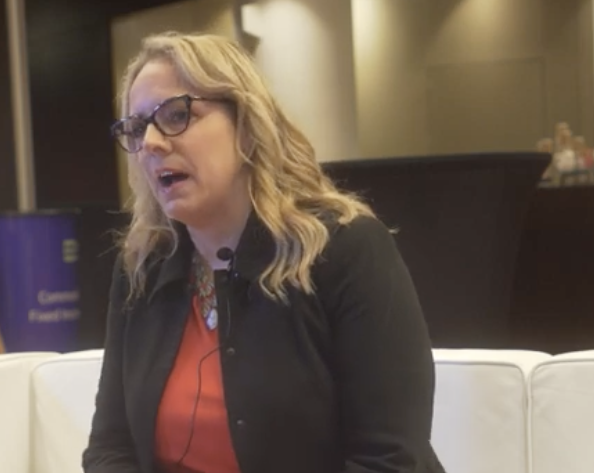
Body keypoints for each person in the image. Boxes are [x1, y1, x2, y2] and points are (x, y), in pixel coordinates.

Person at [83, 32, 445, 473]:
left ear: (247, 125)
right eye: (138, 129)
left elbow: (390, 459)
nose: (152, 143)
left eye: (177, 115)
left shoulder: (347, 249)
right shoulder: (142, 267)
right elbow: (109, 446)